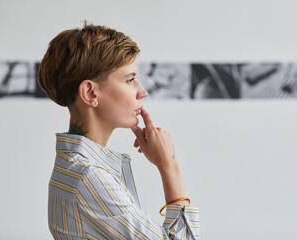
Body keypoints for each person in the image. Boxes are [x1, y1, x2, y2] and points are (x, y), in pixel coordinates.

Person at [37, 23, 200, 240]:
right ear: (90, 93)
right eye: (130, 79)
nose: (142, 91)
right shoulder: (90, 177)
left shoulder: (73, 167)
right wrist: (168, 164)